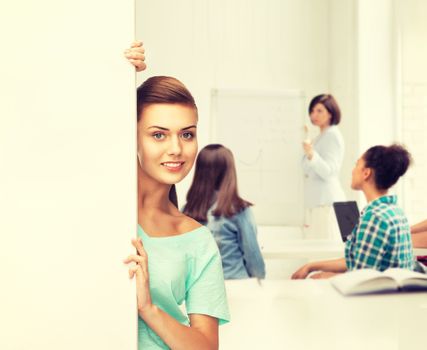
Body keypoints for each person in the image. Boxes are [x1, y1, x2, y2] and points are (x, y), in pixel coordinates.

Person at [123, 44, 230, 350]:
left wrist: (149, 309)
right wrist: (114, 70)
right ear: (132, 135)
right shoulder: (106, 208)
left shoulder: (197, 240)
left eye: (187, 134)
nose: (176, 149)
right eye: (158, 134)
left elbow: (206, 346)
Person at [292, 144, 415, 279]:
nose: (352, 170)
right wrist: (311, 266)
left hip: (376, 296)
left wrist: (322, 276)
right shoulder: (394, 211)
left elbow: (359, 279)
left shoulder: (374, 217)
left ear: (366, 173)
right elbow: (356, 262)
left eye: (356, 164)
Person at [183, 144, 266, 280]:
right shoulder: (240, 211)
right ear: (229, 173)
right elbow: (252, 256)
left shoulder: (187, 211)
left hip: (200, 288)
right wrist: (260, 280)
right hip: (235, 285)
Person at [302, 94, 346, 241]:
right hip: (320, 203)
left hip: (328, 204)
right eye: (312, 111)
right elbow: (307, 169)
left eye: (319, 111)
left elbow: (329, 171)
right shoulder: (319, 137)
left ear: (331, 113)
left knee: (325, 253)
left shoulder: (332, 135)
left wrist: (311, 154)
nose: (314, 115)